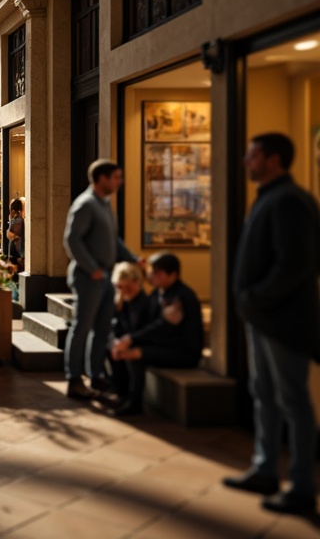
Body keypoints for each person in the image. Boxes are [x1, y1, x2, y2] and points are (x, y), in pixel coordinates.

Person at [224, 132, 320, 517]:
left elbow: (295, 265)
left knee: (292, 400)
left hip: (284, 321)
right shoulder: (272, 197)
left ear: (274, 160)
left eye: (253, 156)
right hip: (264, 319)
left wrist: (252, 298)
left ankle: (301, 486)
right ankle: (265, 469)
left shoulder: (290, 201)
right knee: (263, 393)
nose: (247, 162)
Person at [63, 158, 138, 400]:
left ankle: (96, 375)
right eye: (116, 177)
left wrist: (133, 259)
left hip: (106, 276)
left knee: (102, 329)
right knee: (82, 328)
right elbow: (72, 240)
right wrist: (92, 268)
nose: (120, 181)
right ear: (102, 179)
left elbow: (113, 240)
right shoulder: (85, 204)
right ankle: (74, 379)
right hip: (89, 277)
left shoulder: (104, 204)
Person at [108, 252, 203, 417]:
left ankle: (134, 402)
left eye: (157, 273)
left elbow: (161, 326)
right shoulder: (158, 293)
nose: (151, 276)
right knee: (123, 348)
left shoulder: (181, 296)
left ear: (172, 274)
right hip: (165, 346)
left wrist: (130, 339)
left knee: (135, 353)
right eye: (151, 271)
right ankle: (123, 394)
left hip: (184, 353)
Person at [105, 261, 154, 406]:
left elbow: (145, 330)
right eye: (119, 287)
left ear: (135, 282)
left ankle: (130, 397)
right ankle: (119, 390)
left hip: (140, 341)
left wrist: (126, 342)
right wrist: (115, 341)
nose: (123, 290)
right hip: (128, 340)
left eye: (125, 286)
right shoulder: (123, 302)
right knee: (109, 346)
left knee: (128, 354)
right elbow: (117, 328)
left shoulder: (145, 302)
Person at [6, 198, 25, 272]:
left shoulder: (16, 220)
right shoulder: (18, 220)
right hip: (17, 253)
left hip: (15, 253)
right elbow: (11, 235)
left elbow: (10, 235)